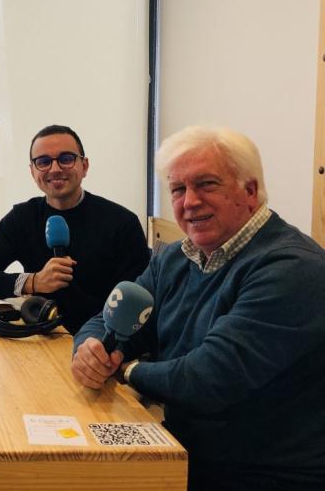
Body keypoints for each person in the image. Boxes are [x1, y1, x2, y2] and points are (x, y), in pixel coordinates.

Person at [71, 126, 325, 490]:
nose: (189, 201)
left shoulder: (291, 268)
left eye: (206, 184)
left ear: (250, 191)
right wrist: (91, 349)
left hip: (264, 474)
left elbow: (207, 379)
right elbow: (110, 318)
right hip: (185, 452)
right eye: (178, 189)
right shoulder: (175, 257)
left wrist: (125, 370)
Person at [0, 125, 149, 334]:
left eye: (66, 159)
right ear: (33, 171)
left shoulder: (123, 223)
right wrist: (32, 282)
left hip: (98, 341)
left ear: (84, 166)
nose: (55, 169)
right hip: (39, 337)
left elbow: (137, 307)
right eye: (43, 162)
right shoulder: (22, 217)